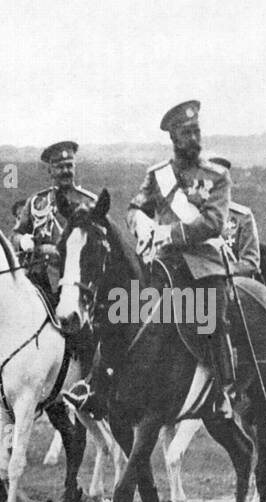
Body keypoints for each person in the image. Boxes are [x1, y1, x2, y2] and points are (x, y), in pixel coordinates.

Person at [64, 100, 235, 417]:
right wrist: (143, 225)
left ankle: (224, 391)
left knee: (214, 319)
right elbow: (134, 208)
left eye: (197, 130)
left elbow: (214, 222)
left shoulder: (217, 176)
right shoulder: (158, 176)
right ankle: (97, 386)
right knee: (120, 308)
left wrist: (169, 233)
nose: (195, 138)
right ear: (174, 138)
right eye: (187, 133)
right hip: (164, 264)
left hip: (204, 265)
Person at [15, 141, 98, 301]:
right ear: (50, 171)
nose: (65, 171)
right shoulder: (36, 202)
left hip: (78, 281)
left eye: (69, 166)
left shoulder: (90, 202)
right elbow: (16, 235)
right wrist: (23, 241)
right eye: (60, 167)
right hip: (40, 282)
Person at [209, 156, 260, 278]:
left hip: (231, 284)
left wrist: (221, 270)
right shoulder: (193, 217)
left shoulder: (242, 217)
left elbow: (251, 263)